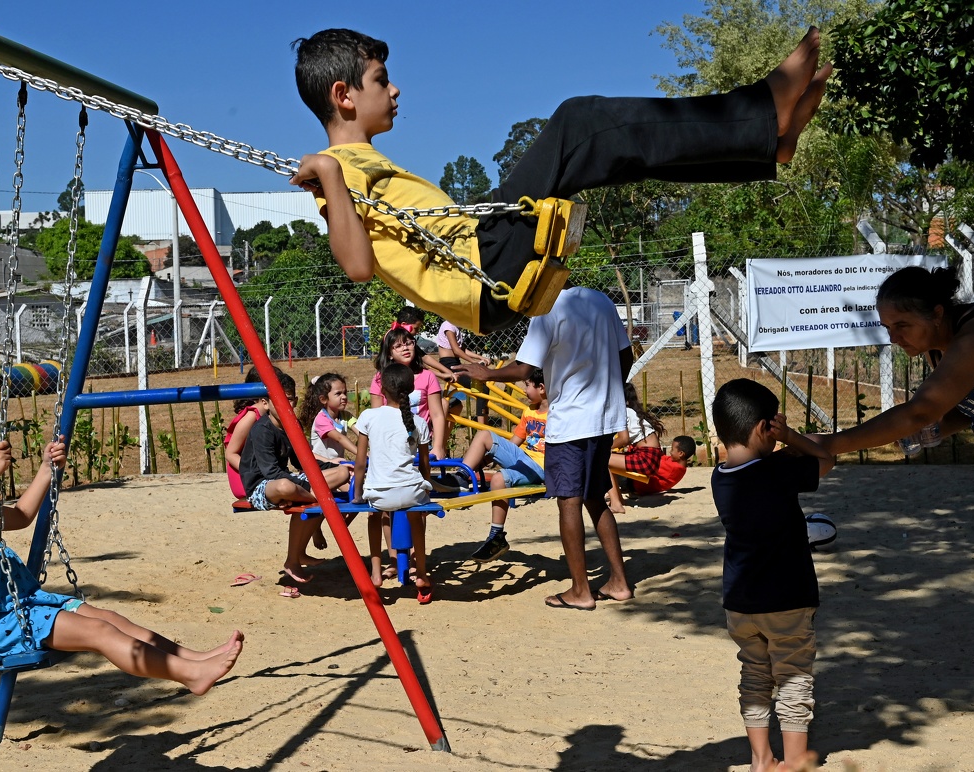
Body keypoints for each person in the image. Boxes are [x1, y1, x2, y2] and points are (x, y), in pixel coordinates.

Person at [290, 27, 832, 333]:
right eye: (381, 80)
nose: (396, 90)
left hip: (486, 260)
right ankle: (760, 110)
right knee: (580, 122)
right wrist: (331, 176)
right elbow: (359, 267)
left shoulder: (363, 166)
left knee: (609, 152)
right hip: (482, 267)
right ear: (344, 96)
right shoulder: (337, 173)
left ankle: (764, 145)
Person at [0, 430, 242, 695]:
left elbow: (20, 514)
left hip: (30, 605)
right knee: (102, 634)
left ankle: (195, 658)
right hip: (1, 626)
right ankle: (189, 675)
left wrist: (46, 470)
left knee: (111, 618)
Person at [456, 286, 633, 610]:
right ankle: (619, 582)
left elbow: (524, 369)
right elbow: (626, 355)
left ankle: (581, 591)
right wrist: (609, 392)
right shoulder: (599, 299)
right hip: (605, 418)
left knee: (569, 502)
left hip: (570, 425)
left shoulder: (545, 308)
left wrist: (488, 373)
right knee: (596, 497)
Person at [711, 378, 835, 772]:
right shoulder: (776, 470)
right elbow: (825, 459)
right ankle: (796, 760)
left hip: (741, 600)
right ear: (766, 427)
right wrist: (793, 436)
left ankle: (761, 759)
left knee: (755, 675)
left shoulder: (719, 476)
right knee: (794, 674)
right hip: (788, 596)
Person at [815, 266, 974, 491]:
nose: (893, 338)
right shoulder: (934, 345)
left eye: (902, 325)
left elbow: (921, 411)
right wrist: (933, 429)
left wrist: (828, 444)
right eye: (887, 327)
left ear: (937, 314)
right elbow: (971, 409)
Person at [238, 370, 353, 586]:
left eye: (289, 399)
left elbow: (304, 462)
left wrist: (337, 467)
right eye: (280, 399)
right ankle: (295, 555)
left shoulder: (293, 425)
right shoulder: (262, 430)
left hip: (292, 482)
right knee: (288, 487)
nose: (286, 405)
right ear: (265, 402)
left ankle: (298, 554)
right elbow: (271, 473)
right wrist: (308, 486)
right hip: (262, 486)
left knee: (342, 472)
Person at [353, 363, 437, 603]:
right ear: (411, 390)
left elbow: (360, 463)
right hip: (411, 491)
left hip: (380, 493)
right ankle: (420, 573)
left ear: (381, 387)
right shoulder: (419, 422)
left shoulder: (369, 416)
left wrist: (358, 494)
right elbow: (424, 465)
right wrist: (426, 490)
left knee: (373, 515)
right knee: (416, 517)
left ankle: (376, 573)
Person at [463, 367, 548, 563]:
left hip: (541, 467)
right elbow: (513, 444)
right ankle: (462, 475)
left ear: (541, 388)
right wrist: (492, 455)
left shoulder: (557, 414)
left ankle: (496, 536)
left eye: (527, 386)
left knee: (499, 479)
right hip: (525, 458)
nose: (525, 390)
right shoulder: (529, 411)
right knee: (485, 435)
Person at [370, 326, 448, 460]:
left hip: (420, 443)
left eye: (409, 343)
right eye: (398, 346)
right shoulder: (380, 379)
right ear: (389, 353)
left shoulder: (427, 376)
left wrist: (438, 446)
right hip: (390, 443)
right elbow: (376, 417)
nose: (405, 348)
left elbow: (437, 414)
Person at [607, 382, 666, 513]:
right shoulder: (632, 412)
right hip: (652, 456)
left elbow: (624, 439)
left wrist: (604, 448)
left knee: (602, 459)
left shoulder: (624, 412)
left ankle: (616, 504)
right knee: (608, 460)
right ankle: (618, 499)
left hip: (646, 458)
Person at [225, 367, 272, 499]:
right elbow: (230, 454)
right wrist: (254, 474)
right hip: (246, 479)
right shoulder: (251, 417)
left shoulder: (269, 415)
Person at [609, 435, 696, 502]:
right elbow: (659, 457)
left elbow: (650, 463)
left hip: (633, 483)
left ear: (681, 453)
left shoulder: (674, 468)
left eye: (672, 449)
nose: (670, 451)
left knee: (609, 464)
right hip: (635, 480)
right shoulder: (674, 463)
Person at [299, 372, 358, 460]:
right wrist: (361, 454)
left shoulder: (346, 416)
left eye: (345, 392)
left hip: (337, 463)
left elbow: (361, 433)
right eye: (338, 394)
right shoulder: (321, 419)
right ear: (323, 399)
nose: (344, 397)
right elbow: (339, 438)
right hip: (321, 464)